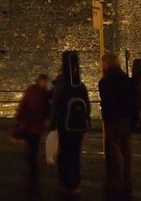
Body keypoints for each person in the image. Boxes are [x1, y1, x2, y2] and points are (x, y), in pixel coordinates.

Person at [51, 51, 90, 193]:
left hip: (64, 124)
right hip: (78, 125)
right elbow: (87, 104)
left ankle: (64, 180)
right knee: (75, 153)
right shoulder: (80, 85)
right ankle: (75, 182)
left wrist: (52, 123)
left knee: (65, 152)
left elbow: (54, 104)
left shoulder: (60, 84)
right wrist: (87, 121)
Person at [99, 53, 136, 192]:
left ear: (106, 64)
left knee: (115, 151)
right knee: (127, 149)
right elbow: (132, 99)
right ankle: (127, 178)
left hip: (113, 120)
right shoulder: (127, 79)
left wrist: (107, 118)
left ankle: (118, 181)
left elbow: (107, 102)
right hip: (126, 119)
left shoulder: (105, 82)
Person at [14, 73, 50, 175]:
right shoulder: (38, 92)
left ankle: (32, 165)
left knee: (33, 146)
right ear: (40, 81)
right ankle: (33, 166)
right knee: (33, 147)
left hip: (34, 125)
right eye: (44, 82)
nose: (45, 84)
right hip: (32, 125)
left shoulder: (39, 92)